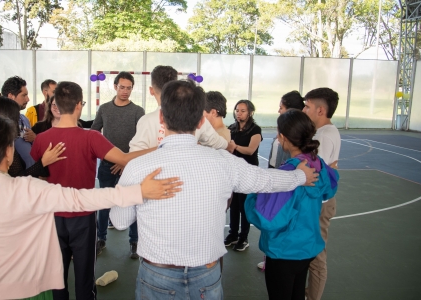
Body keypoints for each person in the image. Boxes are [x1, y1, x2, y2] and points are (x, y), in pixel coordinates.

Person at [109, 79, 319, 300]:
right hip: (206, 277)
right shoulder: (224, 162)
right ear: (201, 121)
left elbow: (120, 221)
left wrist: (139, 192)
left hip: (156, 275)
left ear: (161, 118)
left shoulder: (138, 167)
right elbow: (265, 180)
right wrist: (299, 176)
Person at [0, 114, 182, 300]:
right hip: (24, 289)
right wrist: (139, 192)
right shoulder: (28, 189)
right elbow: (82, 199)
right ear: (8, 152)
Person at [30, 81, 156, 300]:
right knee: (85, 278)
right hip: (83, 218)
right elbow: (125, 159)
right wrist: (161, 147)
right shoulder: (91, 137)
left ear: (56, 105)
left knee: (56, 278)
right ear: (79, 105)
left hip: (50, 218)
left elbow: (36, 175)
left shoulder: (40, 139)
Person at [245, 109, 339, 300]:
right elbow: (330, 186)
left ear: (283, 137)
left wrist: (254, 194)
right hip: (307, 246)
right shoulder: (317, 163)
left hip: (284, 250)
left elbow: (266, 218)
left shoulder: (289, 174)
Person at [91, 71, 145, 258]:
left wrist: (124, 162)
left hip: (130, 167)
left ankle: (134, 242)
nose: (125, 91)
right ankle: (101, 239)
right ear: (115, 87)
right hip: (106, 165)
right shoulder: (104, 109)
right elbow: (94, 133)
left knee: (133, 202)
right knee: (105, 203)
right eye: (122, 87)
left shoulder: (138, 111)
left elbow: (141, 140)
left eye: (129, 88)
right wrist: (111, 157)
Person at [129, 65, 231, 152]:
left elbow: (134, 155)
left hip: (154, 174)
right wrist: (229, 145)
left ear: (151, 90)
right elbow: (218, 143)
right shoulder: (195, 116)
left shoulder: (146, 121)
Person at [257, 90, 306, 270]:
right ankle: (269, 257)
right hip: (276, 179)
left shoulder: (294, 141)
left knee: (279, 222)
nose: (278, 110)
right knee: (272, 225)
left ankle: (276, 258)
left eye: (281, 107)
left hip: (283, 184)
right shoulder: (282, 131)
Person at [302, 87, 341, 300]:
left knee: (317, 255)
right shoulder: (321, 133)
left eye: (307, 106)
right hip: (317, 200)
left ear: (320, 110)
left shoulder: (324, 136)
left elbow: (316, 174)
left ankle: (313, 296)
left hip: (320, 201)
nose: (304, 109)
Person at [0, 96, 66, 178]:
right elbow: (17, 178)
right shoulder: (0, 146)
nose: (18, 121)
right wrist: (43, 162)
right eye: (17, 117)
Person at [225, 99, 262, 251]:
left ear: (250, 112)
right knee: (233, 205)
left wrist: (234, 146)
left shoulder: (255, 130)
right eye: (237, 110)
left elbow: (250, 150)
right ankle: (233, 234)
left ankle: (243, 237)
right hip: (233, 172)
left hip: (248, 172)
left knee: (244, 206)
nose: (239, 113)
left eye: (243, 111)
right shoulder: (231, 128)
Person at [2, 76, 36, 167]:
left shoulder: (24, 119)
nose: (28, 99)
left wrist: (35, 138)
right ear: (11, 96)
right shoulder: (0, 123)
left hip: (30, 176)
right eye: (24, 95)